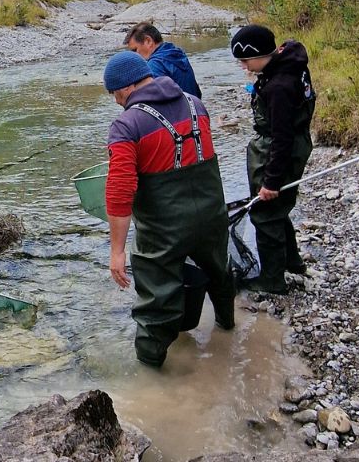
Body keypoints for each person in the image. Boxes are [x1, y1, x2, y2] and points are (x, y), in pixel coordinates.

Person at [104, 51, 234, 368]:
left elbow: (120, 191)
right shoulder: (195, 103)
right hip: (213, 214)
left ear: (123, 88)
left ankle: (150, 372)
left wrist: (117, 252)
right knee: (220, 272)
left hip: (164, 229)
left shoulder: (126, 125)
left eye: (114, 95)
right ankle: (228, 330)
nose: (116, 102)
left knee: (157, 301)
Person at [231, 25, 315, 294]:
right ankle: (292, 261)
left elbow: (282, 139)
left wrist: (271, 181)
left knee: (265, 212)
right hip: (292, 144)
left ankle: (272, 279)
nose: (244, 67)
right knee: (278, 207)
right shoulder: (287, 63)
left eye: (245, 60)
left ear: (260, 54)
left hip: (279, 150)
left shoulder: (279, 86)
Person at [124, 22, 202, 98]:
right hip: (195, 108)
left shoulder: (155, 65)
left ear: (148, 41)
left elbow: (151, 100)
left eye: (135, 50)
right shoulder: (178, 54)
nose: (134, 55)